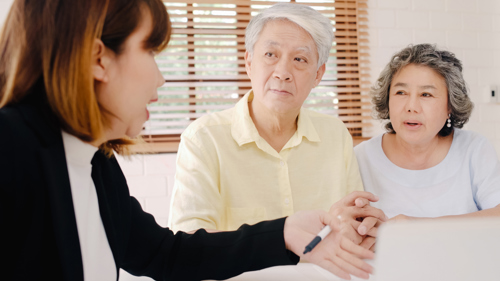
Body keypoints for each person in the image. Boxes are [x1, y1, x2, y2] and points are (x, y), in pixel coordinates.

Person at [0, 0, 377, 280]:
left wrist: (283, 232)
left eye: (300, 60)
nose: (162, 79)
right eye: (150, 50)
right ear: (99, 59)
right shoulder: (11, 148)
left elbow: (166, 253)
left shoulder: (96, 165)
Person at [168, 3, 384, 245]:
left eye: (300, 59)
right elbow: (189, 245)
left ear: (318, 75)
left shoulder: (335, 134)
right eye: (271, 55)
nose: (282, 72)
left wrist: (363, 229)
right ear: (249, 62)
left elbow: (352, 226)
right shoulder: (204, 138)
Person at [355, 44, 500, 221]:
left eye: (426, 95)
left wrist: (417, 226)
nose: (411, 107)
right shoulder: (360, 157)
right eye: (401, 92)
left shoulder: (474, 149)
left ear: (450, 106)